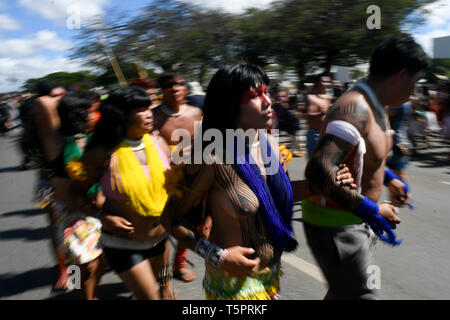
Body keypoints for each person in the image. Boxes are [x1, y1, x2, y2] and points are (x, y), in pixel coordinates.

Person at [161, 63, 356, 300]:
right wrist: (217, 255)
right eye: (255, 95)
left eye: (266, 92)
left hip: (270, 276)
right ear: (230, 105)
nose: (268, 101)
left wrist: (326, 183)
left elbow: (269, 198)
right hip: (233, 287)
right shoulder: (209, 156)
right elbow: (171, 218)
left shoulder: (269, 144)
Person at [303, 34, 430, 300]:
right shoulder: (354, 109)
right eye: (415, 83)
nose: (414, 91)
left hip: (358, 219)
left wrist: (391, 179)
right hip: (336, 225)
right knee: (361, 295)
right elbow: (318, 169)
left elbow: (369, 157)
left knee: (341, 293)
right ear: (402, 74)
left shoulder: (379, 104)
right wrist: (371, 209)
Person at [70, 86, 175, 299]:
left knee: (167, 292)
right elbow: (76, 195)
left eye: (149, 108)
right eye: (141, 110)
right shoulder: (101, 153)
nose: (149, 114)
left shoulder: (159, 142)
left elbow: (177, 186)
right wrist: (102, 217)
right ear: (121, 115)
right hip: (124, 245)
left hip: (161, 241)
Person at [50, 93, 105, 299]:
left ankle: (86, 293)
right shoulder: (62, 145)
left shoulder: (90, 139)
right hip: (75, 211)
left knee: (97, 260)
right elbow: (72, 190)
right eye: (89, 111)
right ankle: (83, 295)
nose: (93, 115)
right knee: (86, 263)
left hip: (94, 210)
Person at [152, 72, 203, 283]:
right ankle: (161, 275)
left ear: (186, 89)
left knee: (189, 224)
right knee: (161, 230)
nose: (175, 88)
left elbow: (205, 141)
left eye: (180, 84)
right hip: (161, 180)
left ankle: (179, 263)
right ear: (162, 90)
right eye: (169, 85)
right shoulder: (152, 115)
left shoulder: (196, 112)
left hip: (191, 177)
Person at [26, 81, 69, 290]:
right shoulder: (42, 118)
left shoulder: (70, 118)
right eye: (56, 96)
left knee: (72, 229)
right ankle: (65, 272)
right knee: (56, 229)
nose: (61, 100)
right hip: (48, 182)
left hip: (59, 180)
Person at [305, 76, 333, 158]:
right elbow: (309, 116)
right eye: (324, 81)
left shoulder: (328, 98)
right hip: (315, 134)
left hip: (328, 134)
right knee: (314, 162)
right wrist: (324, 112)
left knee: (326, 162)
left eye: (328, 82)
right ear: (317, 84)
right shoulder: (311, 97)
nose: (327, 84)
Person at [272, 88, 306, 157]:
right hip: (274, 127)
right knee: (273, 143)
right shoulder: (275, 106)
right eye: (280, 96)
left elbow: (288, 117)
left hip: (284, 127)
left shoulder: (286, 106)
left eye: (284, 96)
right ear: (276, 97)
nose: (283, 98)